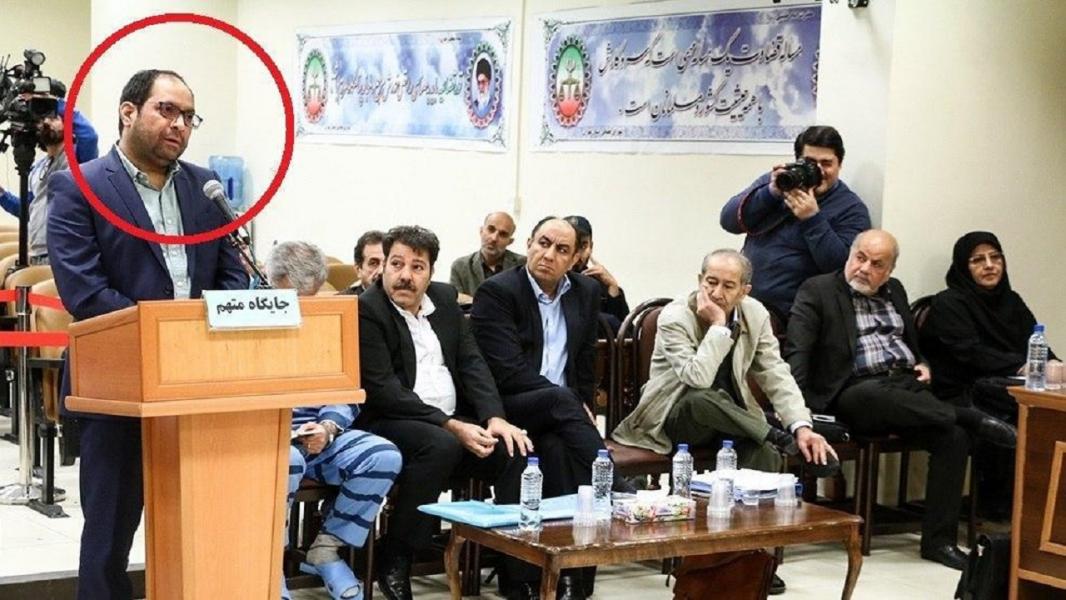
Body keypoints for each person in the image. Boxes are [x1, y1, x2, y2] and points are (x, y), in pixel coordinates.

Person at [47, 69, 248, 599]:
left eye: (189, 116)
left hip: (198, 386)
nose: (179, 124)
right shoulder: (81, 185)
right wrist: (170, 339)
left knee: (201, 524)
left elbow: (233, 275)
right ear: (128, 112)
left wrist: (201, 338)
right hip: (117, 383)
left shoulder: (204, 187)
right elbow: (85, 293)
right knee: (110, 534)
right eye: (167, 110)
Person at [784, 229, 1016, 570]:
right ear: (850, 255)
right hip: (853, 391)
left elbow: (910, 343)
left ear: (889, 270)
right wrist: (799, 412)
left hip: (906, 388)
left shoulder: (896, 290)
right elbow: (798, 352)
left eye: (877, 264)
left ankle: (938, 543)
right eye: (860, 258)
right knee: (876, 394)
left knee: (953, 437)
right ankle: (969, 416)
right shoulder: (818, 290)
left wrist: (922, 363)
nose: (864, 268)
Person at [357, 226, 531, 600]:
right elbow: (384, 390)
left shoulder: (445, 301)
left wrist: (495, 417)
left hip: (449, 421)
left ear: (431, 272)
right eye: (396, 264)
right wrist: (451, 426)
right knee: (441, 445)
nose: (405, 275)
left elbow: (472, 363)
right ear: (384, 266)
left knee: (512, 448)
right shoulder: (368, 310)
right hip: (391, 421)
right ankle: (396, 555)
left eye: (417, 267)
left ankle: (515, 570)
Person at [471, 216, 621, 600]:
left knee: (557, 449)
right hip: (510, 406)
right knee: (562, 403)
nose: (549, 254)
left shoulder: (585, 292)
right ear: (529, 244)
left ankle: (565, 575)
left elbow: (584, 363)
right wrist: (570, 402)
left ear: (575, 259)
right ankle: (619, 490)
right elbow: (507, 372)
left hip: (560, 414)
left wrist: (583, 405)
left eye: (561, 249)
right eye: (543, 243)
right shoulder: (499, 291)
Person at [267, 241, 402, 600]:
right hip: (269, 436)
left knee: (383, 455)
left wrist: (328, 427)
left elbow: (347, 388)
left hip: (321, 433)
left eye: (309, 296)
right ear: (272, 282)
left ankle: (326, 549)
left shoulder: (330, 318)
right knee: (287, 461)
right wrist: (285, 431)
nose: (301, 306)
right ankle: (268, 566)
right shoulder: (246, 317)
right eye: (292, 296)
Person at [921, 231, 1059, 519]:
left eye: (996, 257)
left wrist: (1055, 365)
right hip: (962, 392)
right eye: (978, 260)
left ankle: (1044, 509)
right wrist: (1021, 367)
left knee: (1050, 414)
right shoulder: (949, 302)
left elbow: (1036, 344)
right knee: (1016, 414)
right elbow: (969, 352)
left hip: (1004, 388)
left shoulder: (1012, 301)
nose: (989, 265)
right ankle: (1002, 505)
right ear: (963, 266)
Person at [720, 125, 871, 322]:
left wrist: (812, 219)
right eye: (810, 162)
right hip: (744, 300)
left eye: (826, 164)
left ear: (839, 165)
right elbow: (728, 221)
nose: (818, 171)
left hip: (796, 313)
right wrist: (770, 193)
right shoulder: (780, 181)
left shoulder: (851, 208)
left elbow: (842, 268)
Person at [0, 80, 99, 264]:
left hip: (66, 252)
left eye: (53, 118)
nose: (46, 122)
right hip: (37, 252)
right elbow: (27, 209)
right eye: (42, 119)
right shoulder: (37, 168)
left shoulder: (77, 158)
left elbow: (90, 135)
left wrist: (52, 102)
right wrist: (2, 195)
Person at [564, 215, 630, 332]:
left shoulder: (598, 281)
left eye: (583, 245)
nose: (578, 253)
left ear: (591, 247)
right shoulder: (549, 280)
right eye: (572, 245)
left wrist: (613, 289)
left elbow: (626, 334)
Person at [450, 211, 525, 304]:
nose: (494, 238)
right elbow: (454, 300)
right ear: (481, 231)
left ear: (510, 241)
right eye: (491, 229)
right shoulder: (460, 266)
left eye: (502, 234)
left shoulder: (523, 266)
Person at [340, 229, 385, 295]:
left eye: (386, 263)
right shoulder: (345, 300)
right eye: (373, 263)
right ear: (358, 270)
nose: (381, 271)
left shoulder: (400, 297)